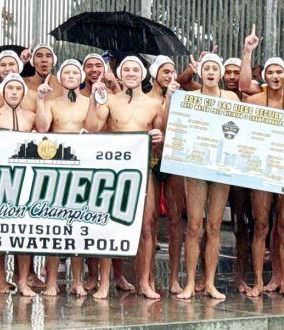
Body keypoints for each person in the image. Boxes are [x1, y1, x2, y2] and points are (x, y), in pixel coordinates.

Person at [85, 55, 167, 299]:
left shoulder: (154, 104)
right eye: (127, 70)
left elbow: (161, 143)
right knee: (109, 224)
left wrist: (159, 138)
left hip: (143, 169)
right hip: (115, 170)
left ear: (142, 75)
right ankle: (103, 283)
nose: (131, 73)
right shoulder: (110, 101)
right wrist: (92, 100)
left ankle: (143, 282)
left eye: (135, 70)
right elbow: (91, 128)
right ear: (121, 74)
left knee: (146, 227)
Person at [239, 27, 284, 297]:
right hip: (260, 167)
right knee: (261, 225)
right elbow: (244, 85)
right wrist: (248, 52)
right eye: (270, 72)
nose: (275, 76)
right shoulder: (256, 99)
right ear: (266, 76)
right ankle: (258, 280)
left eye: (279, 71)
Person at [173, 53, 240, 300]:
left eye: (215, 68)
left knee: (213, 226)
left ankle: (210, 283)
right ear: (200, 73)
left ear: (221, 73)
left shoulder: (231, 98)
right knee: (193, 226)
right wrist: (171, 99)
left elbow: (248, 130)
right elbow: (176, 124)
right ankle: (190, 282)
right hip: (197, 165)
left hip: (222, 166)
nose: (211, 72)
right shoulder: (189, 98)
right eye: (207, 68)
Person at [35, 59, 92, 297]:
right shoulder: (52, 103)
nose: (70, 75)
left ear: (80, 78)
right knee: (54, 227)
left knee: (77, 225)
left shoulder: (89, 103)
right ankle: (51, 282)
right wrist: (39, 100)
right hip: (56, 169)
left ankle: (77, 280)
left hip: (81, 169)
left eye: (74, 72)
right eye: (66, 72)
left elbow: (95, 128)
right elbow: (42, 128)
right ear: (60, 77)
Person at [146, 55, 188, 294]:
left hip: (172, 164)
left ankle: (173, 278)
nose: (170, 76)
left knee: (174, 222)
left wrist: (172, 98)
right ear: (154, 75)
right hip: (151, 162)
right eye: (165, 72)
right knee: (149, 223)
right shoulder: (144, 100)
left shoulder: (181, 99)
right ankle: (149, 276)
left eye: (173, 72)